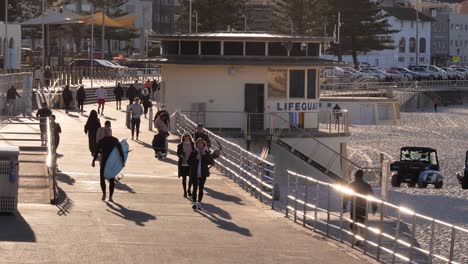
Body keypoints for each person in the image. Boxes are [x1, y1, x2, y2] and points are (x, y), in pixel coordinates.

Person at [342, 170, 378, 247]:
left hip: (354, 207)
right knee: (362, 224)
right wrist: (374, 207)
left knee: (353, 224)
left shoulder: (351, 184)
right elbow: (372, 196)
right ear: (362, 176)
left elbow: (346, 197)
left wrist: (344, 206)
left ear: (355, 176)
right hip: (363, 207)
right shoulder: (367, 185)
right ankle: (360, 239)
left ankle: (356, 238)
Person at [92, 127, 125, 202]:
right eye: (106, 131)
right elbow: (97, 151)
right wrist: (93, 161)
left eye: (107, 131)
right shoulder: (108, 140)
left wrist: (93, 161)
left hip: (107, 162)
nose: (106, 132)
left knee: (107, 179)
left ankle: (107, 195)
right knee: (107, 179)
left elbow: (120, 151)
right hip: (107, 162)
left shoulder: (108, 140)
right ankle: (107, 195)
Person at [188, 138, 214, 210]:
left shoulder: (206, 152)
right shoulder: (194, 152)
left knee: (201, 188)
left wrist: (205, 155)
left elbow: (211, 162)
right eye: (198, 143)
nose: (200, 144)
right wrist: (196, 158)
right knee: (195, 187)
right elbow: (189, 162)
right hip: (194, 172)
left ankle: (199, 202)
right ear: (196, 144)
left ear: (203, 144)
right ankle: (194, 203)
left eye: (201, 143)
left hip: (203, 172)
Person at [177, 131, 194, 198]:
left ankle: (189, 190)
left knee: (191, 178)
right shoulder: (180, 145)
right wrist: (180, 155)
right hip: (183, 163)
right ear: (183, 137)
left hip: (191, 163)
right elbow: (178, 153)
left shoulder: (193, 144)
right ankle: (184, 191)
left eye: (188, 135)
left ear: (190, 136)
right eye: (185, 136)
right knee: (184, 178)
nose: (187, 137)